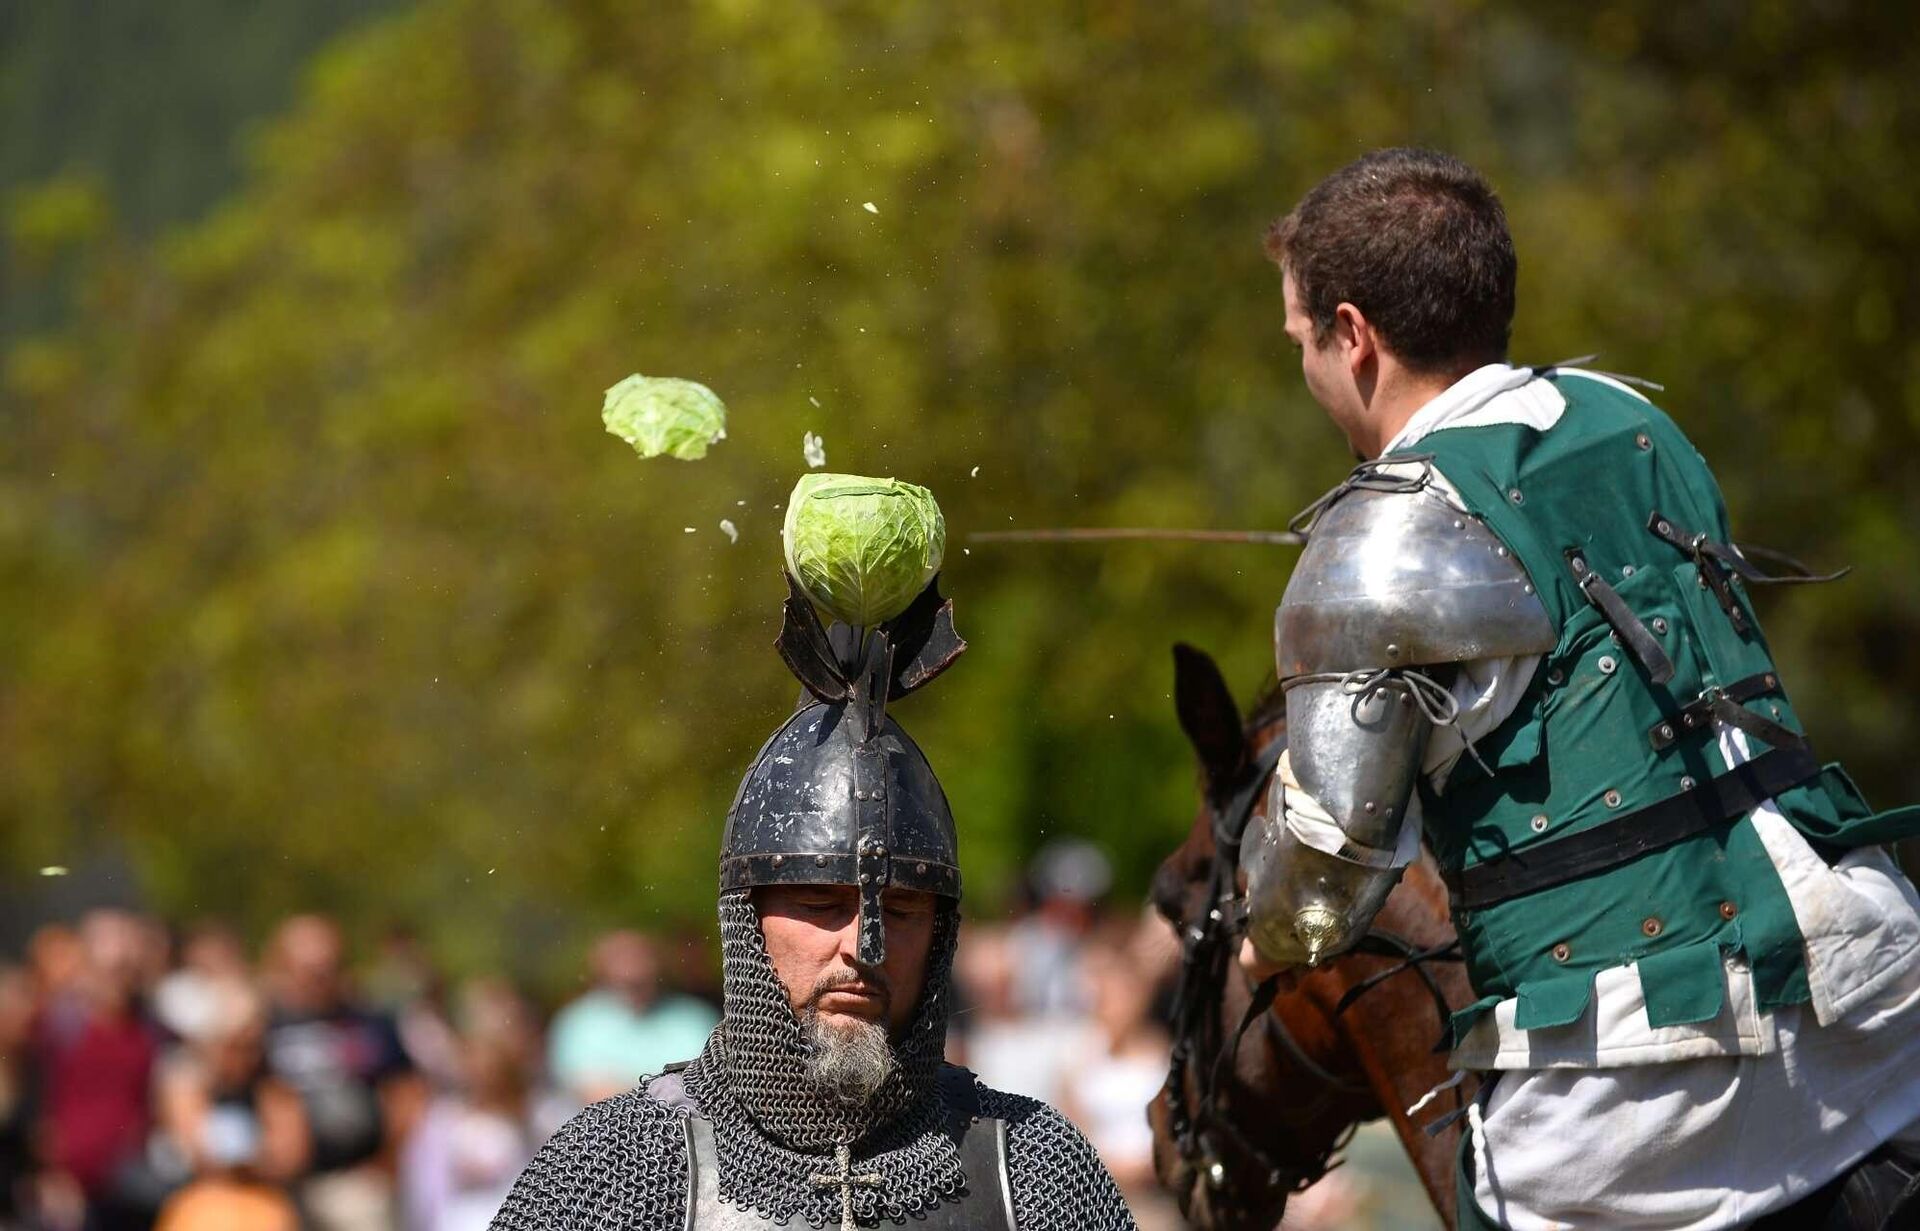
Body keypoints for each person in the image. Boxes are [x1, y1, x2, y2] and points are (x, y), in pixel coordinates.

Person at [1240, 147, 1920, 1229]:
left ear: (1354, 336)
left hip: (1632, 1099)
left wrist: (1265, 923)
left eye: (1301, 341)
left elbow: (1317, 886)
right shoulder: (1638, 422)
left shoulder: (1374, 537)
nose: (1309, 372)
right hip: (1874, 1005)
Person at [493, 575, 1136, 1229]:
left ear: (942, 932)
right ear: (751, 919)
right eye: (823, 902)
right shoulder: (620, 1168)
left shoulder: (1027, 1168)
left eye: (905, 909)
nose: (864, 946)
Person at [262, 913, 424, 1231]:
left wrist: (385, 1166)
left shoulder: (371, 1023)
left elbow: (408, 1095)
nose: (319, 976)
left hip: (356, 1182)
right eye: (308, 969)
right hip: (282, 1184)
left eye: (328, 967)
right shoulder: (264, 1026)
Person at [545, 930, 716, 1106]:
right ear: (604, 973)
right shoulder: (579, 1023)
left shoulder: (691, 1018)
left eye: (641, 973)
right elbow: (593, 1091)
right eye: (626, 979)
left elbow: (704, 1084)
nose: (634, 975)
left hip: (686, 1123)